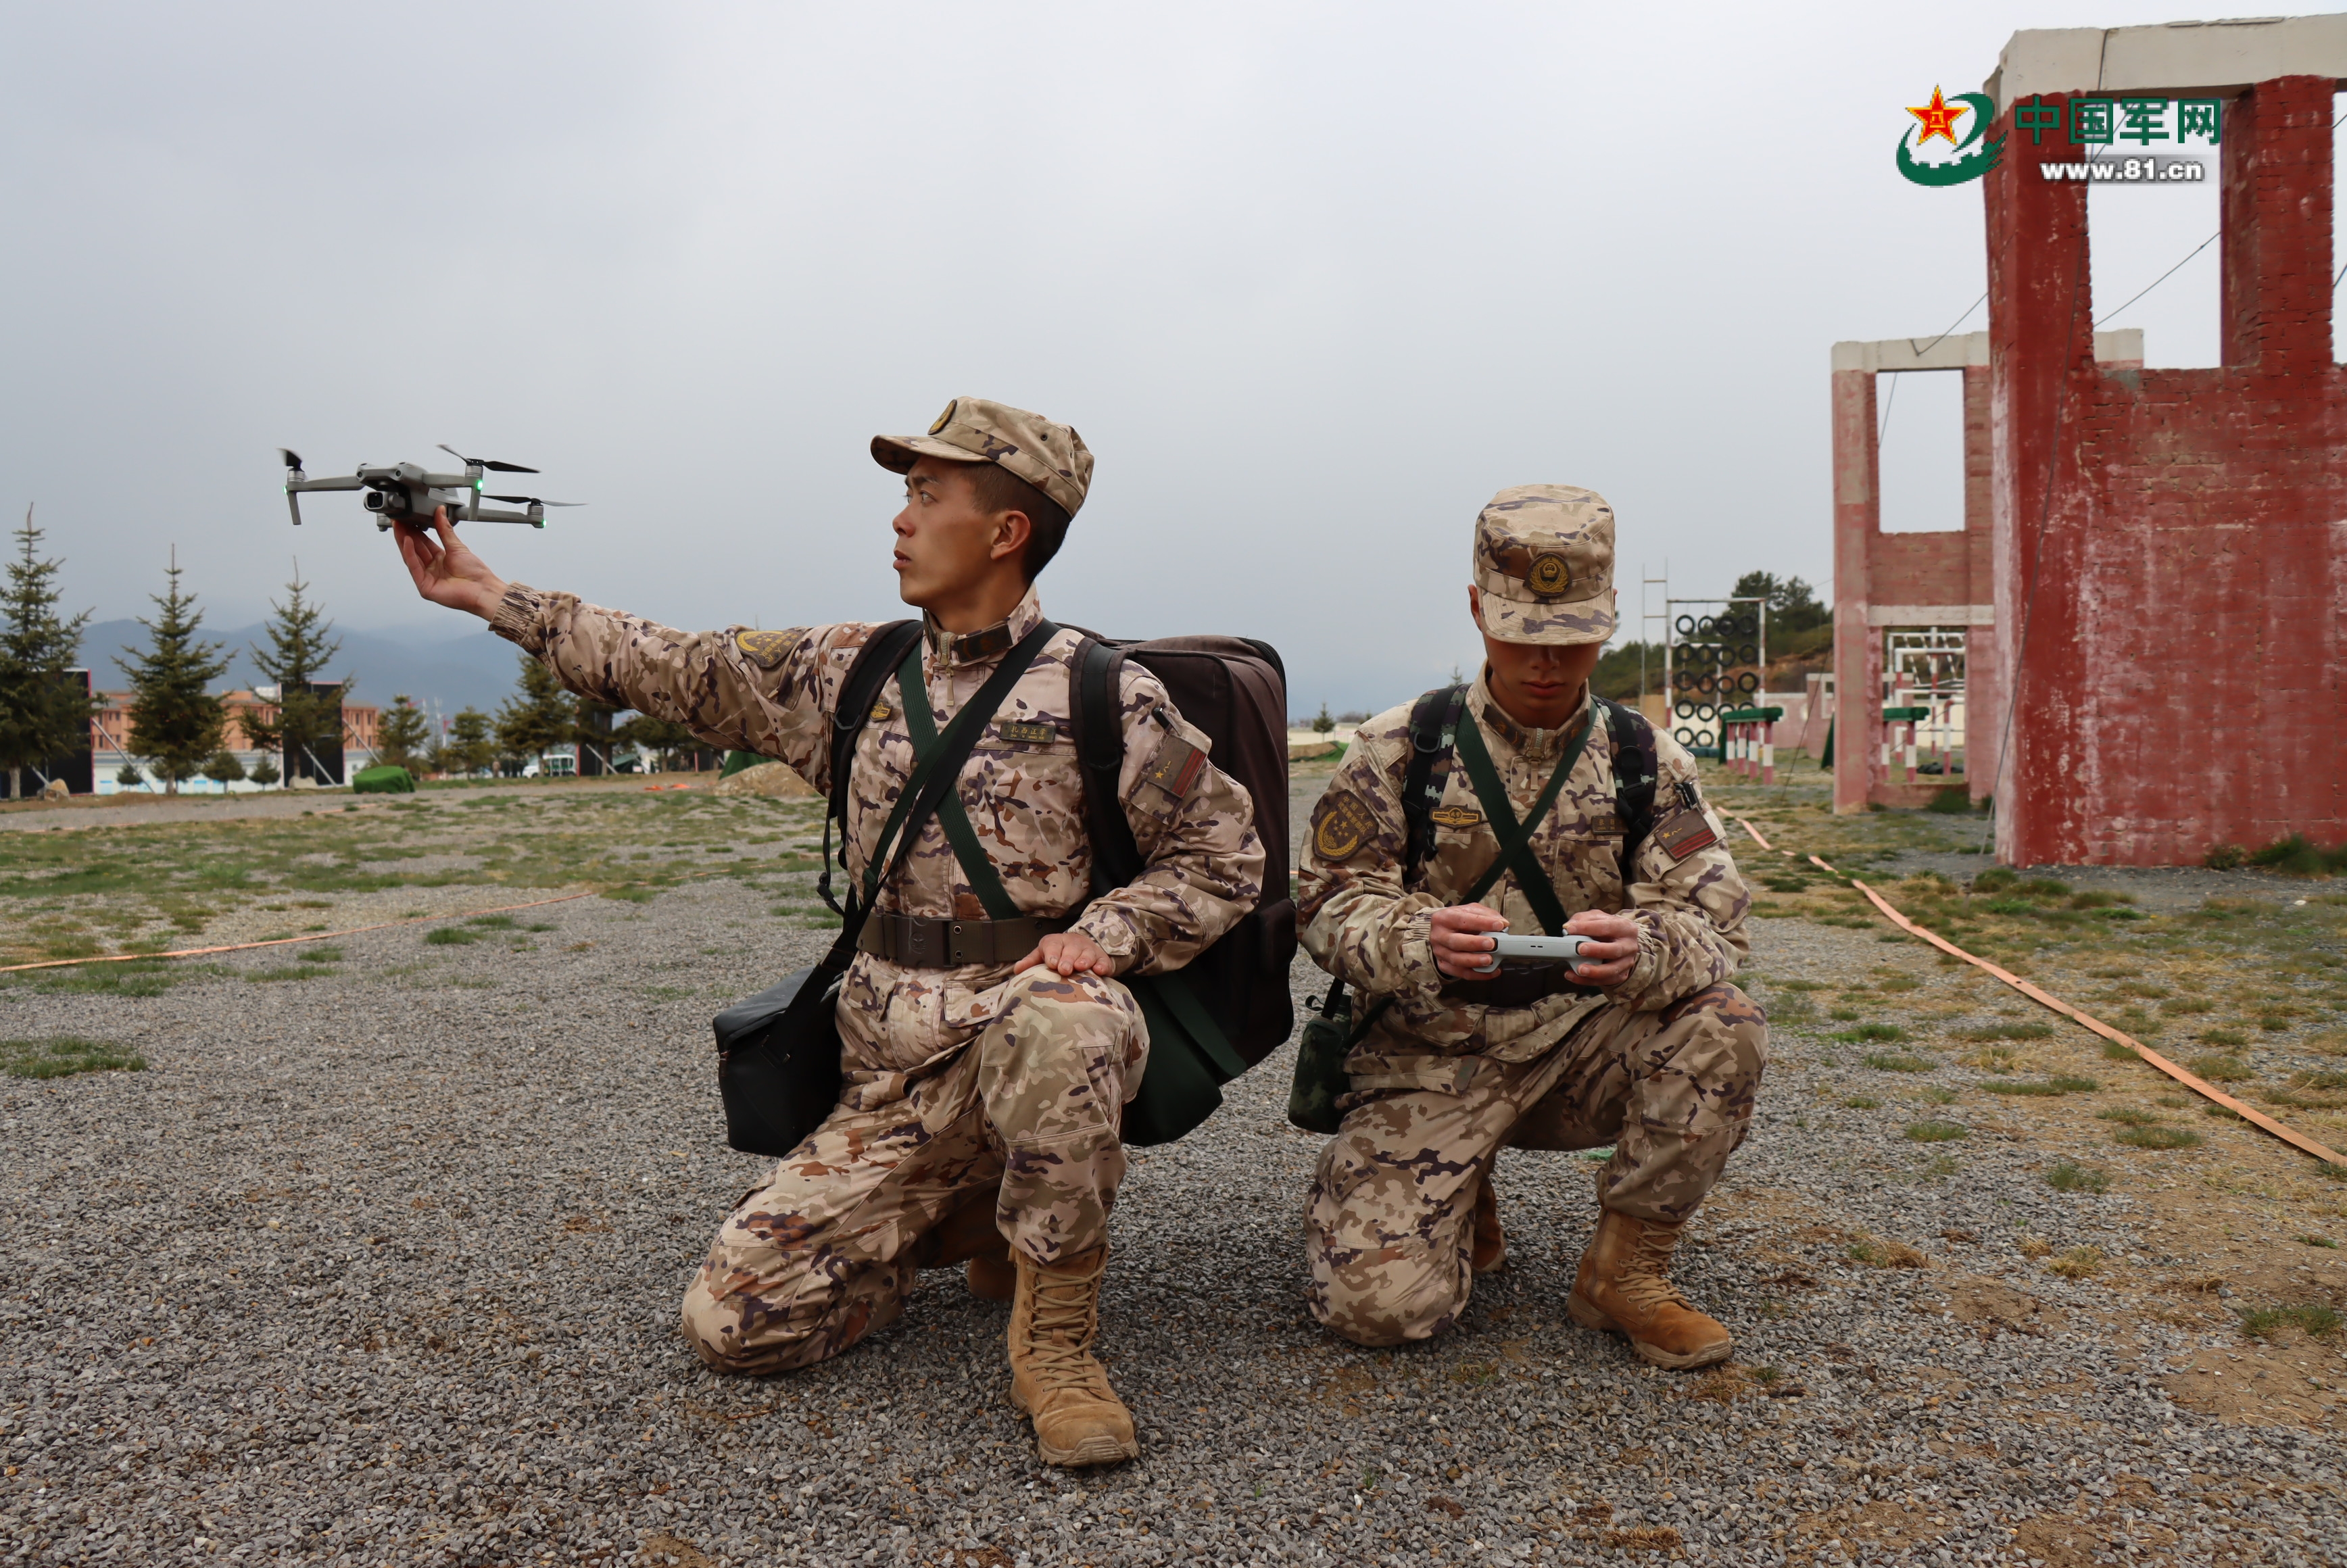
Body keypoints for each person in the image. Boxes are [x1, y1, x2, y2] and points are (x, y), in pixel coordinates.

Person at [393, 397, 1265, 1466]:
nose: (901, 518)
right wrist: (496, 598)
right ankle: (966, 1211)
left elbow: (1225, 856)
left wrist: (1114, 934)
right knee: (735, 1325)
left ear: (1006, 531)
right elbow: (674, 664)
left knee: (1069, 1018)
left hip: (1021, 1034)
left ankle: (1057, 1344)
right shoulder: (850, 670)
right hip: (887, 1072)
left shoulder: (1106, 695)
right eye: (905, 494)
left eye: (927, 495)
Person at [1295, 484, 1764, 1368]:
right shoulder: (1401, 748)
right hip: (1430, 1051)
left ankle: (1626, 1273)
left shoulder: (1643, 758)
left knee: (1724, 1024)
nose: (1546, 662)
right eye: (1520, 632)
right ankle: (1460, 1194)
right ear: (1477, 609)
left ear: (1610, 615)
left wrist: (1645, 948)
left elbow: (1717, 921)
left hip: (1580, 1046)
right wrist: (1420, 941)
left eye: (1572, 634)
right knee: (1377, 1311)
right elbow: (1324, 904)